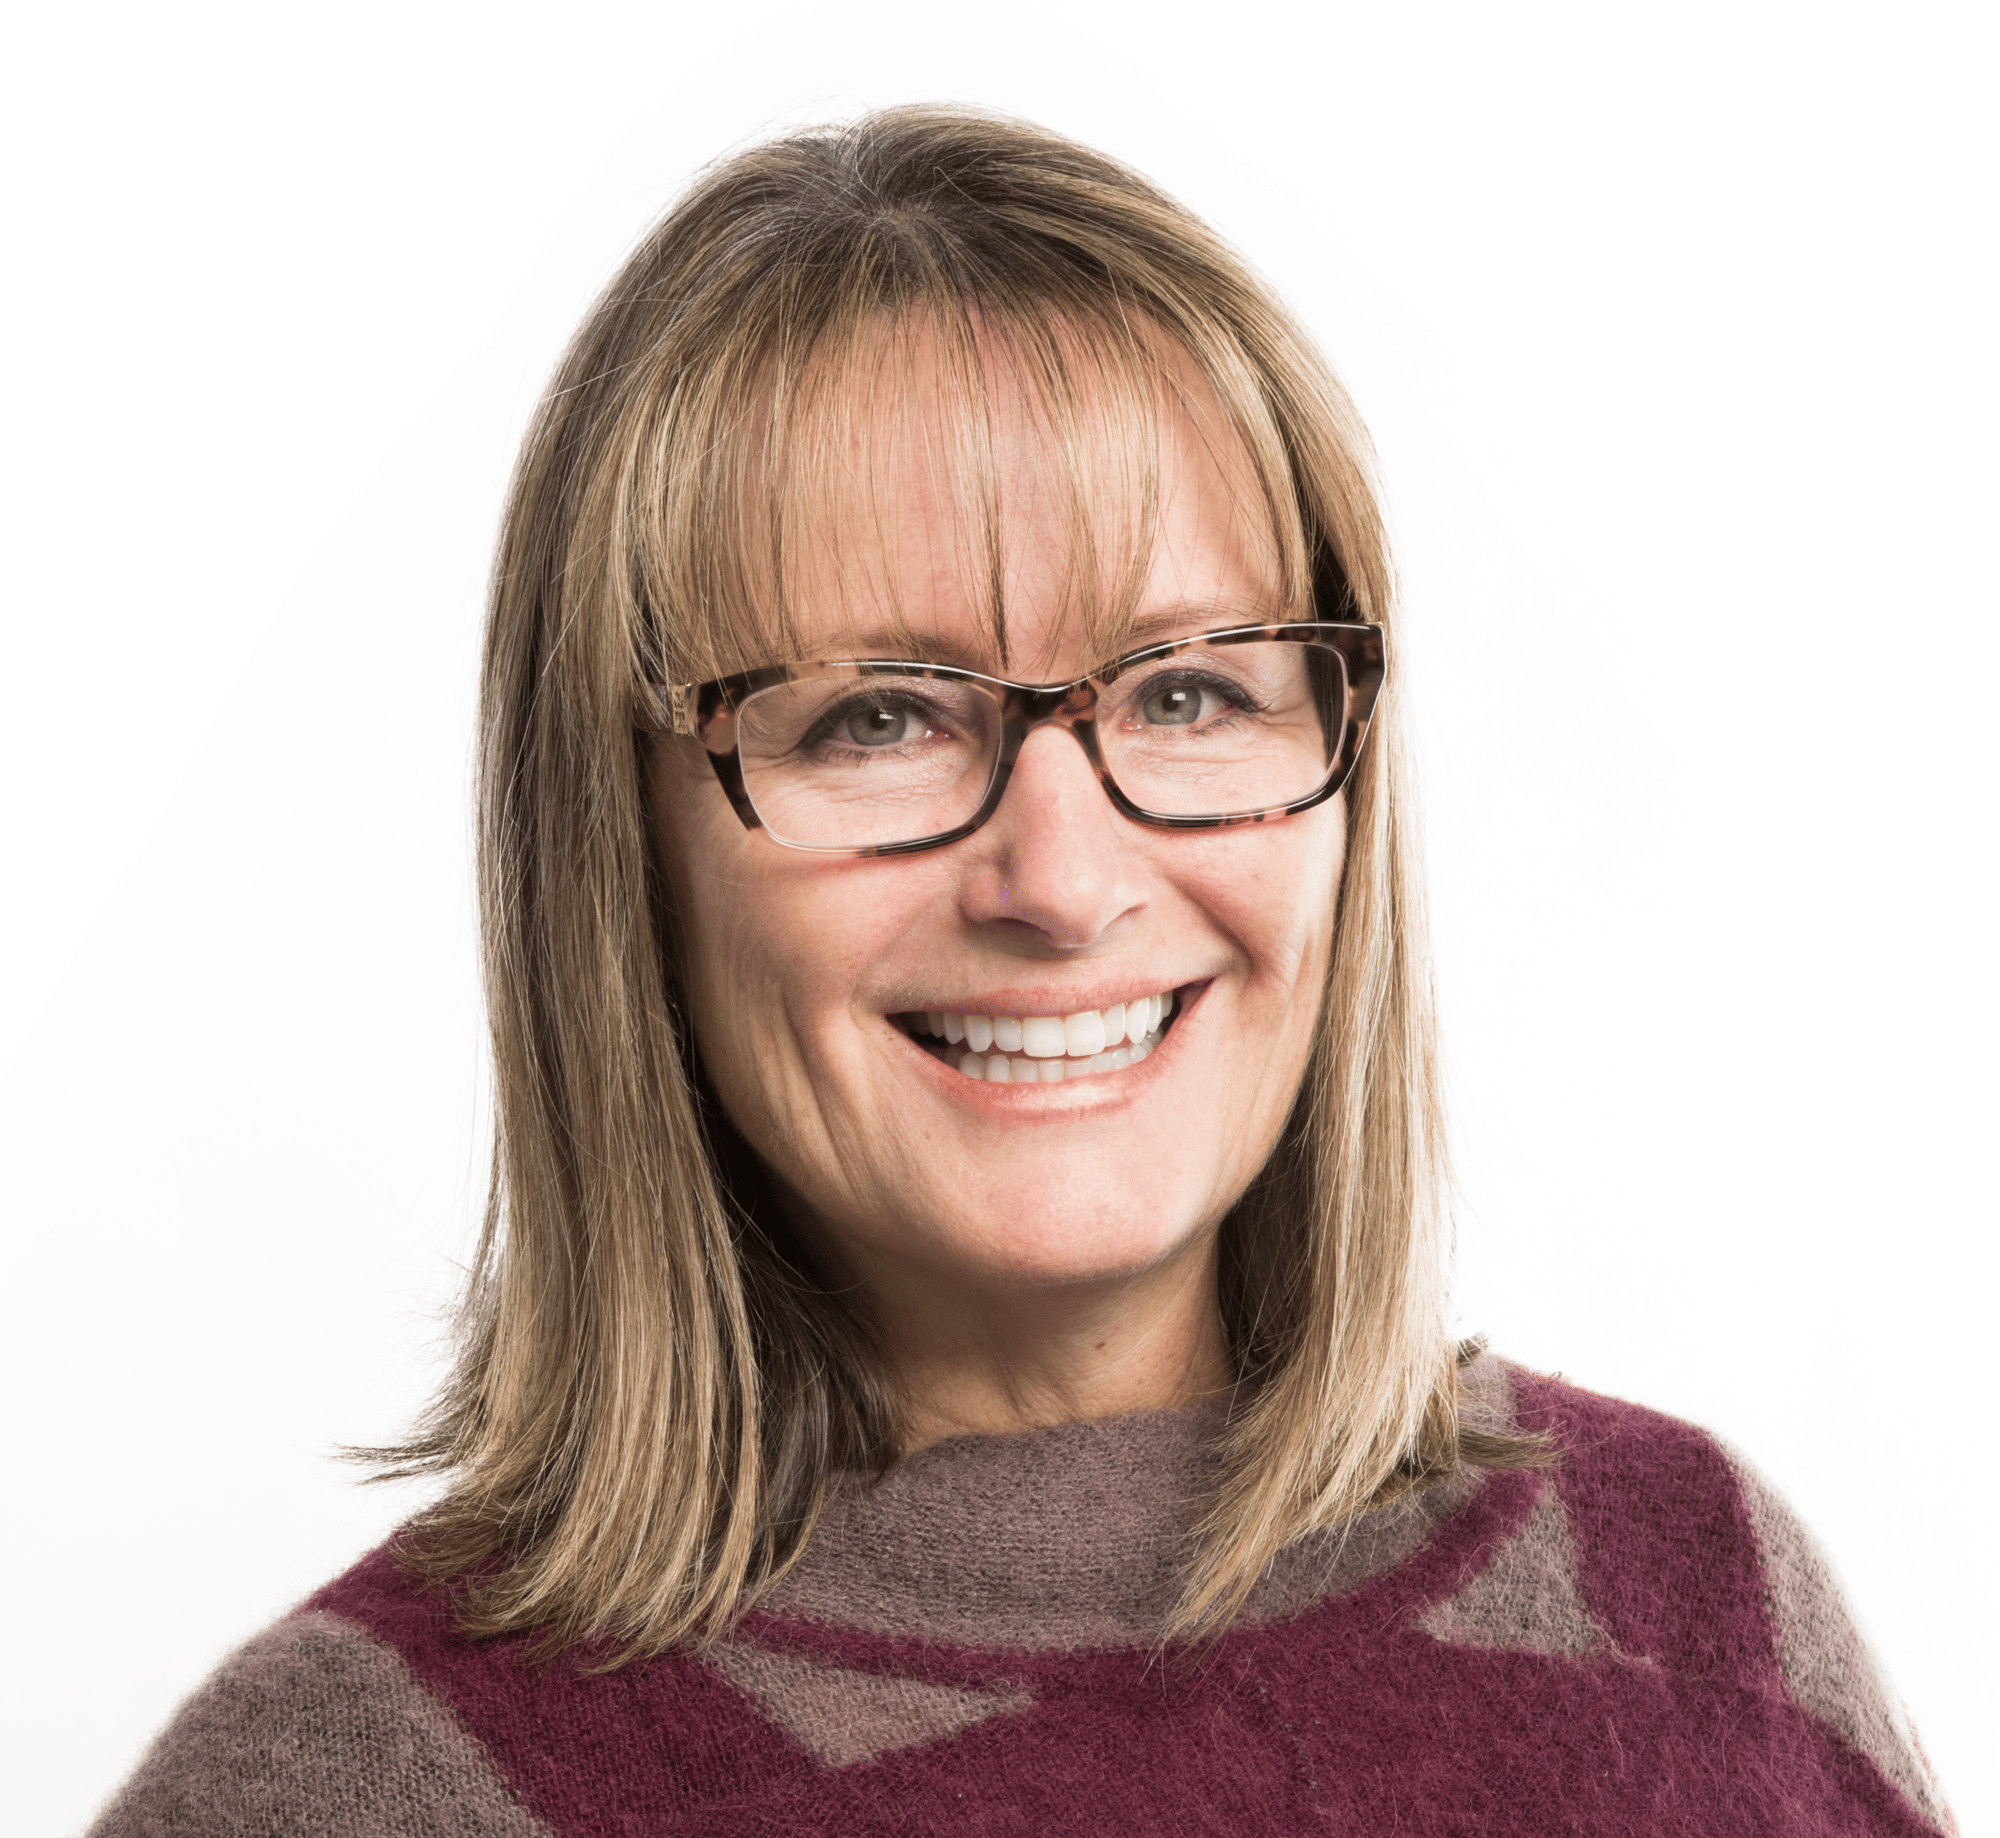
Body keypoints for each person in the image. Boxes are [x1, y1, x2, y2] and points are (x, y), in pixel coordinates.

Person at [87, 108, 1953, 1836]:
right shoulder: (364, 1790)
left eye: (1192, 690)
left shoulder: (1687, 1610)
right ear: (621, 847)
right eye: (879, 718)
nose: (1062, 884)